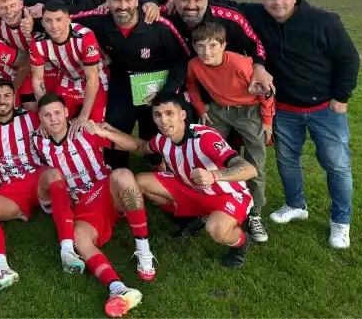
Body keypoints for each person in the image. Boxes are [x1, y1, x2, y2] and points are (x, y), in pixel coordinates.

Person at [211, 0, 359, 249]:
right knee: (287, 161)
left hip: (325, 108)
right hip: (285, 109)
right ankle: (295, 204)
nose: (277, 2)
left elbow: (349, 59)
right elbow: (222, 3)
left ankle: (341, 222)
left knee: (337, 166)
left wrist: (341, 97)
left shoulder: (324, 21)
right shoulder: (257, 14)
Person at [33, 94, 154, 318]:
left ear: (67, 112)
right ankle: (117, 288)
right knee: (78, 237)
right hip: (82, 204)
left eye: (58, 112)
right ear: (39, 118)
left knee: (124, 175)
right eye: (47, 115)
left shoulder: (85, 130)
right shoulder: (36, 141)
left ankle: (144, 253)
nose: (53, 119)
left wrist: (104, 132)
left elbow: (136, 145)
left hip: (105, 189)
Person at [109, 93, 257, 268]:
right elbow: (139, 146)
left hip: (227, 194)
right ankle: (193, 216)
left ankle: (242, 242)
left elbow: (250, 169)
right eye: (158, 114)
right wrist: (106, 132)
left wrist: (214, 176)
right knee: (140, 181)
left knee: (216, 229)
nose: (163, 120)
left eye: (169, 113)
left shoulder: (204, 137)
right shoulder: (162, 139)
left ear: (183, 115)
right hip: (190, 187)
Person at [0, 79, 83, 295]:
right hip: (11, 188)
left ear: (14, 98)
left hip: (36, 177)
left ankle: (68, 251)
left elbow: (59, 133)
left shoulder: (30, 118)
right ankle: (1, 269)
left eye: (7, 96)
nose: (2, 101)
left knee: (54, 174)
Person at [74, 0, 190, 170]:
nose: (122, 5)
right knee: (115, 124)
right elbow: (63, 18)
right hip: (122, 82)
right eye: (116, 0)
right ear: (108, 1)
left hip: (156, 83)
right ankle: (117, 169)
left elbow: (181, 61)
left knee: (155, 126)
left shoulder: (159, 25)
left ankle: (159, 163)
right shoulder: (99, 20)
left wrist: (166, 93)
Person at [185, 22, 274, 242]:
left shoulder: (239, 64)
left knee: (255, 160)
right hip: (218, 110)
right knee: (206, 155)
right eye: (201, 46)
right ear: (194, 47)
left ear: (224, 45)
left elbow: (266, 91)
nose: (207, 52)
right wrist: (200, 108)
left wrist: (268, 120)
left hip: (249, 110)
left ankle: (255, 213)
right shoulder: (195, 64)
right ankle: (213, 204)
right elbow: (191, 84)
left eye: (213, 45)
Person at [164, 0, 274, 93]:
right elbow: (142, 11)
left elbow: (256, 43)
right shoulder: (163, 16)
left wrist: (259, 66)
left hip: (226, 90)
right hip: (184, 89)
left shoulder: (231, 18)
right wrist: (149, 3)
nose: (191, 5)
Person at [30, 1, 108, 132]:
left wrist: (83, 116)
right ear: (43, 23)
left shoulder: (85, 36)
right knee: (55, 122)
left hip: (96, 79)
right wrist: (44, 111)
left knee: (93, 128)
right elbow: (37, 80)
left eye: (59, 20)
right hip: (68, 79)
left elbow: (92, 78)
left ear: (68, 20)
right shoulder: (38, 43)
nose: (53, 26)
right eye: (48, 21)